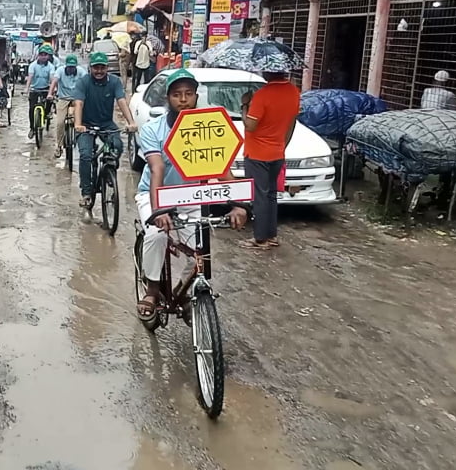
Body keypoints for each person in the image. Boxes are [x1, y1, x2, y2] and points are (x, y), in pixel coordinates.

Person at [134, 69, 251, 320]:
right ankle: (152, 289)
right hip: (155, 195)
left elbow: (221, 167)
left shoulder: (208, 128)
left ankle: (182, 293)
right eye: (177, 94)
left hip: (191, 196)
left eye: (189, 94)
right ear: (168, 98)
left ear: (196, 96)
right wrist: (159, 209)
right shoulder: (153, 129)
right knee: (156, 235)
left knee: (201, 252)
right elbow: (157, 168)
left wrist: (239, 205)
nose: (183, 99)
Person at [239, 71, 300, 249]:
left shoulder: (262, 95)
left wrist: (244, 106)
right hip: (277, 153)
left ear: (268, 72)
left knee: (259, 197)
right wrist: (283, 145)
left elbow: (250, 125)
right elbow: (292, 122)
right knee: (271, 196)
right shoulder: (293, 92)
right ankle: (271, 235)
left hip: (257, 154)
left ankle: (260, 239)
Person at [73, 51, 138, 207]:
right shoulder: (83, 82)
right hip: (86, 125)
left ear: (107, 68)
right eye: (96, 68)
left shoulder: (114, 82)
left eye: (102, 68)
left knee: (117, 145)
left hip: (106, 123)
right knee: (86, 155)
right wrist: (78, 124)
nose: (99, 71)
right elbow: (79, 104)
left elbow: (121, 101)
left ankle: (109, 171)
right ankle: (87, 192)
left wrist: (131, 122)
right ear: (90, 68)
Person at [48, 54, 87, 158]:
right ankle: (59, 146)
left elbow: (87, 83)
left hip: (77, 99)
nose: (71, 69)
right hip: (63, 99)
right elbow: (54, 82)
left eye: (73, 67)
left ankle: (82, 143)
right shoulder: (60, 71)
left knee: (81, 121)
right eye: (69, 67)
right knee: (60, 122)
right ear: (66, 66)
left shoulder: (81, 72)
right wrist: (50, 94)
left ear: (76, 66)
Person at [25, 44, 56, 140]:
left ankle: (47, 114)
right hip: (34, 89)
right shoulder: (33, 65)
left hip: (46, 89)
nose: (43, 57)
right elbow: (30, 77)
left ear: (48, 56)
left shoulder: (51, 66)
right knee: (31, 109)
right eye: (41, 54)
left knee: (49, 101)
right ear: (38, 55)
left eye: (45, 55)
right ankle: (32, 128)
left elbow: (52, 78)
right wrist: (27, 88)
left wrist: (53, 89)